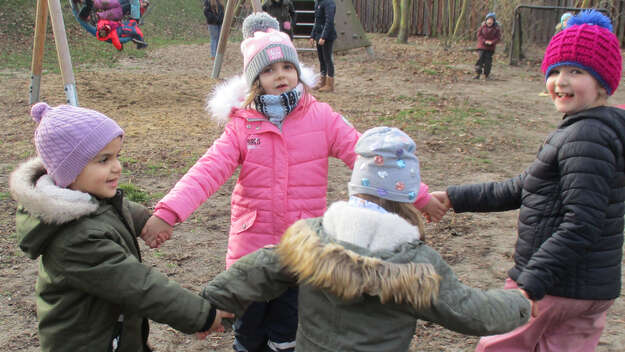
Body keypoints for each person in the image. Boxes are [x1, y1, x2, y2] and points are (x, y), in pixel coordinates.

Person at [140, 12, 446, 352]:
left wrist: (418, 196)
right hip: (250, 255)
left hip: (302, 253)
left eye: (287, 67)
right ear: (255, 79)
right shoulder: (243, 126)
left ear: (297, 70)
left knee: (288, 334)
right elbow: (206, 172)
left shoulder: (323, 118)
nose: (280, 75)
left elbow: (370, 161)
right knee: (249, 334)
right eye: (268, 70)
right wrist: (167, 213)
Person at [196, 126, 532, 351]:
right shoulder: (417, 266)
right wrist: (520, 304)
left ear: (356, 185)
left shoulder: (313, 238)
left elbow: (261, 267)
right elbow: (468, 310)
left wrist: (208, 305)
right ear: (407, 196)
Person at [433, 10, 625, 351]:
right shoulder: (592, 129)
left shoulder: (588, 136)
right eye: (555, 71)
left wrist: (530, 286)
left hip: (554, 285)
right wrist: (454, 198)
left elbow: (582, 222)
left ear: (602, 82)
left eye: (576, 72)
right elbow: (524, 187)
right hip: (592, 289)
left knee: (498, 346)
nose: (561, 81)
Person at [8, 102, 230, 351]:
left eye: (117, 156)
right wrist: (201, 315)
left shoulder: (83, 198)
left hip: (114, 333)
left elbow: (116, 208)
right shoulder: (76, 240)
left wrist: (146, 221)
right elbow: (139, 286)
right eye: (103, 160)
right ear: (68, 172)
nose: (117, 167)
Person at [309, 0, 337, 92]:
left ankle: (330, 84)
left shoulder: (329, 3)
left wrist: (324, 36)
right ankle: (322, 81)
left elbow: (329, 21)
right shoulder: (318, 3)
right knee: (321, 59)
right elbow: (317, 21)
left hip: (327, 36)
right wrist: (312, 36)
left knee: (327, 58)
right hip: (318, 35)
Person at [474, 12, 501, 80]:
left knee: (488, 62)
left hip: (490, 48)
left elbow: (498, 38)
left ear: (494, 21)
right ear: (486, 20)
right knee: (479, 59)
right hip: (481, 46)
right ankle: (477, 74)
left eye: (491, 20)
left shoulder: (496, 29)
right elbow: (479, 35)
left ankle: (487, 75)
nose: (490, 21)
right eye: (488, 19)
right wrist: (484, 41)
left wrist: (492, 42)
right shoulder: (482, 27)